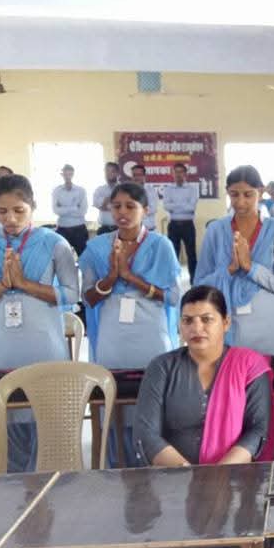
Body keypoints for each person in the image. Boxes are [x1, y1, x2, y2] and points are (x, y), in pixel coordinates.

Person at [134, 285, 274, 548]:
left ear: (226, 322)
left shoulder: (249, 366)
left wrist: (216, 478)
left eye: (206, 319)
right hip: (171, 494)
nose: (196, 328)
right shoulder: (162, 368)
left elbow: (258, 431)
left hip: (233, 493)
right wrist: (190, 476)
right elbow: (147, 434)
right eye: (188, 320)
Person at [0, 174, 78, 472]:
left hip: (45, 352)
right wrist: (1, 286)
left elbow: (72, 295)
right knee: (7, 449)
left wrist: (24, 284)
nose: (10, 219)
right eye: (2, 211)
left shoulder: (54, 243)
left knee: (51, 449)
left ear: (32, 207)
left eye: (19, 210)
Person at [79, 182, 182, 466]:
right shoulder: (97, 247)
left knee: (153, 403)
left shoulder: (160, 245)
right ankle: (118, 467)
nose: (122, 213)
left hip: (150, 334)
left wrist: (130, 277)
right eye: (116, 207)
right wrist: (112, 277)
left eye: (130, 206)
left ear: (145, 210)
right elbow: (88, 298)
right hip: (112, 336)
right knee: (115, 405)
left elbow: (173, 297)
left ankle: (155, 469)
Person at [195, 165, 274, 362]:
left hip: (269, 326)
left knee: (268, 378)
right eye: (234, 194)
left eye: (248, 195)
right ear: (227, 193)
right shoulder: (216, 230)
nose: (240, 202)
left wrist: (251, 268)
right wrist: (229, 270)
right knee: (230, 377)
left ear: (261, 191)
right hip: (228, 323)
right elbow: (199, 285)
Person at [162, 162, 199, 280]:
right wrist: (184, 205)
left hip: (188, 225)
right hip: (173, 225)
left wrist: (175, 206)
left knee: (191, 254)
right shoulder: (168, 189)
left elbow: (192, 207)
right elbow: (166, 206)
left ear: (185, 174)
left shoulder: (192, 189)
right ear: (172, 174)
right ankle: (173, 280)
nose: (178, 174)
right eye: (176, 172)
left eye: (181, 172)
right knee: (173, 254)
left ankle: (194, 280)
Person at [52, 163, 90, 257]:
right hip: (62, 228)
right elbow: (55, 210)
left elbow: (83, 211)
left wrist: (63, 209)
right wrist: (75, 207)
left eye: (70, 173)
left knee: (84, 258)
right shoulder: (56, 190)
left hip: (79, 229)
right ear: (62, 174)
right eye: (65, 173)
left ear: (73, 174)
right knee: (61, 258)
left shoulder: (81, 190)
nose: (67, 176)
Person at [92, 161, 120, 235]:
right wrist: (113, 204)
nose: (108, 174)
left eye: (112, 171)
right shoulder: (99, 189)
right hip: (103, 230)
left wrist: (105, 203)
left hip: (120, 230)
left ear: (117, 173)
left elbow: (122, 207)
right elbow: (96, 204)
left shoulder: (123, 189)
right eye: (106, 171)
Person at [130, 164, 159, 232]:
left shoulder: (151, 191)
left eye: (139, 175)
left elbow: (152, 209)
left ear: (144, 176)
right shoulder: (128, 192)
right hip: (132, 231)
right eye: (134, 175)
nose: (136, 177)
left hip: (149, 230)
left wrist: (134, 211)